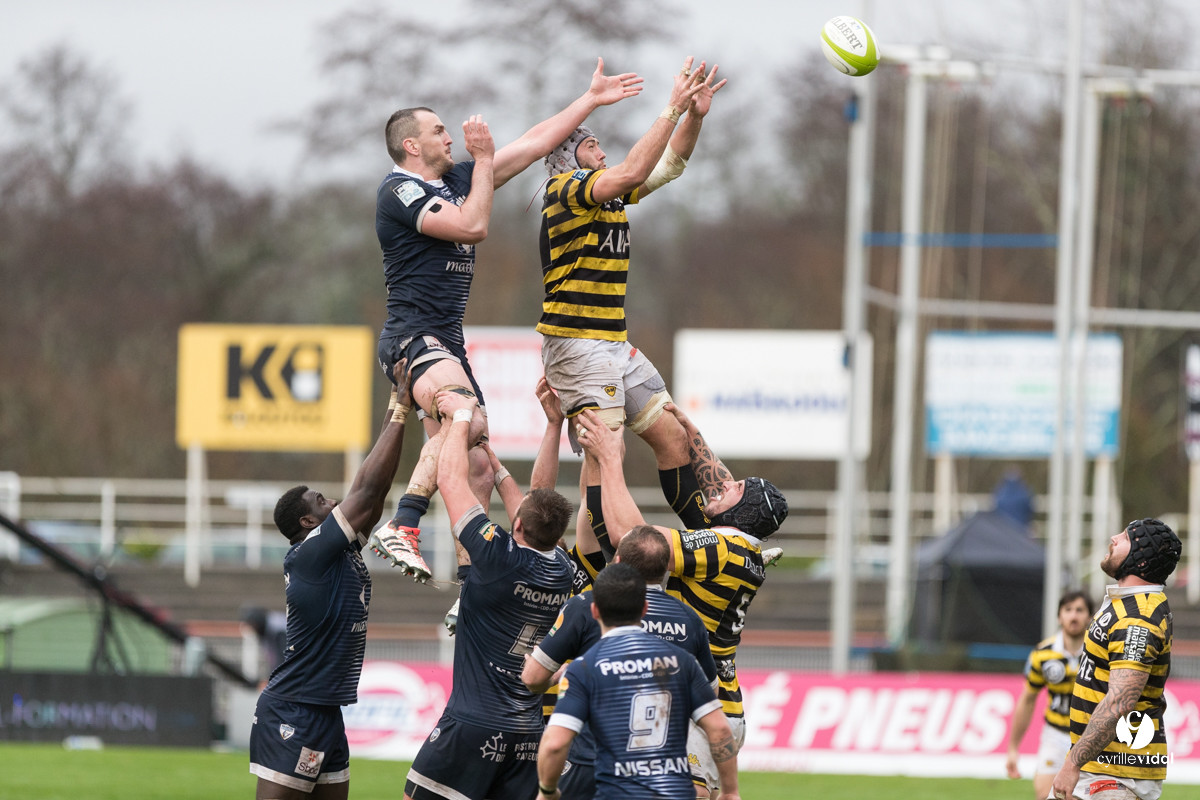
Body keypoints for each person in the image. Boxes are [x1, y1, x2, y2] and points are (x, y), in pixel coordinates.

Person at [368, 59, 644, 582]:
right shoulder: (399, 190)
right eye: (438, 131)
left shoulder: (457, 178)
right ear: (411, 145)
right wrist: (486, 161)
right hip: (412, 335)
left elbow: (538, 142)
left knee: (474, 460)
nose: (449, 137)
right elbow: (471, 227)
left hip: (447, 340)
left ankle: (474, 589)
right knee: (463, 411)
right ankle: (403, 523)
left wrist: (590, 99)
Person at [536, 57, 723, 541]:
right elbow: (634, 168)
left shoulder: (608, 195)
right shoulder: (567, 190)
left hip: (612, 343)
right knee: (607, 453)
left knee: (674, 436)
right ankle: (607, 566)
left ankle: (712, 544)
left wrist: (693, 116)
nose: (602, 152)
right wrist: (670, 107)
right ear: (566, 156)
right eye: (592, 145)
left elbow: (668, 165)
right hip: (576, 344)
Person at [575, 404, 786, 798]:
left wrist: (609, 460)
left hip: (704, 708)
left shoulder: (727, 547)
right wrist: (692, 434)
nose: (723, 484)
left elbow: (635, 539)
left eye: (736, 488)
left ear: (745, 512)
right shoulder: (738, 546)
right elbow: (708, 486)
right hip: (704, 701)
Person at [403, 388, 574, 800]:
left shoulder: (499, 555)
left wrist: (461, 418)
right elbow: (531, 511)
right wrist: (495, 466)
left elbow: (449, 478)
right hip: (528, 735)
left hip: (473, 725)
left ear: (517, 527)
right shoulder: (563, 569)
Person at [248, 370, 413, 799]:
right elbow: (367, 490)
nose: (333, 501)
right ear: (306, 523)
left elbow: (371, 493)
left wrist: (399, 402)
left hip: (326, 709)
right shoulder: (311, 554)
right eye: (321, 502)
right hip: (293, 707)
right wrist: (402, 408)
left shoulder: (335, 550)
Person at [522, 526, 718, 800]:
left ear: (618, 563)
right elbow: (711, 696)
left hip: (589, 761)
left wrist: (555, 679)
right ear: (665, 569)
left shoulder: (588, 605)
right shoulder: (689, 619)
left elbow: (532, 679)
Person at [1050, 518, 1181, 800]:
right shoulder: (1128, 603)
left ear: (1141, 561)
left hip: (1116, 771)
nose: (1113, 538)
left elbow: (1121, 700)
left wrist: (1073, 762)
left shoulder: (1137, 618)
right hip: (1105, 766)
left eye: (1124, 538)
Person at [1005, 590, 1095, 799]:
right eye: (1068, 610)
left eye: (1080, 610)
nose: (1074, 616)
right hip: (1055, 735)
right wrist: (1013, 749)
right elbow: (1027, 700)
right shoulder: (1043, 654)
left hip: (1090, 737)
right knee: (1045, 795)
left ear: (1089, 617)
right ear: (1059, 617)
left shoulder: (1100, 653)